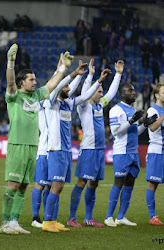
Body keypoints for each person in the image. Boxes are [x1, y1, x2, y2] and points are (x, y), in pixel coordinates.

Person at [0, 43, 74, 234]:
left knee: (24, 186)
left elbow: (51, 84)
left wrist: (63, 68)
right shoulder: (14, 95)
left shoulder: (37, 96)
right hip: (17, 145)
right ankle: (4, 223)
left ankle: (15, 222)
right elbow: (9, 82)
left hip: (33, 145)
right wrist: (11, 62)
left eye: (34, 79)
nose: (35, 82)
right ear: (22, 82)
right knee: (13, 185)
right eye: (31, 79)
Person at [44, 60, 112, 232]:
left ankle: (53, 220)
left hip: (66, 150)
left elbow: (83, 94)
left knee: (59, 187)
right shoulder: (52, 102)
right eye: (67, 87)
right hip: (56, 148)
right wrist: (73, 74)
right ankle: (47, 221)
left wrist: (97, 80)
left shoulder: (68, 103)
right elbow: (62, 86)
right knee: (56, 186)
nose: (70, 89)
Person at [31, 59, 88, 229]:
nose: (68, 89)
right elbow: (58, 85)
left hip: (60, 149)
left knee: (51, 186)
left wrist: (79, 75)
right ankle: (37, 217)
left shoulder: (63, 102)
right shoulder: (48, 101)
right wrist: (64, 71)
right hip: (46, 148)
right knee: (42, 184)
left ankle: (50, 219)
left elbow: (67, 89)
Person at [67, 60, 125, 228]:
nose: (101, 94)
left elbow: (112, 92)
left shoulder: (100, 105)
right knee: (81, 183)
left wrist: (118, 73)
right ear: (92, 92)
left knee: (94, 183)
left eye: (101, 92)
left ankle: (88, 218)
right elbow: (85, 92)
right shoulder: (84, 106)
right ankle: (72, 218)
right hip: (89, 150)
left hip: (100, 150)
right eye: (99, 91)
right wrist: (92, 76)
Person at [104, 83, 157, 227]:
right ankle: (109, 217)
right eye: (130, 91)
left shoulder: (132, 109)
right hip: (122, 152)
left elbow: (133, 131)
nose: (134, 93)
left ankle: (121, 217)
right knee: (118, 183)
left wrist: (144, 125)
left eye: (134, 90)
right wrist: (132, 120)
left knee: (130, 184)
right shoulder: (116, 110)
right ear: (122, 94)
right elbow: (115, 131)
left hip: (133, 152)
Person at [145, 83, 164, 226]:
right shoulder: (153, 110)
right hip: (157, 150)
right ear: (157, 95)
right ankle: (152, 216)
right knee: (153, 184)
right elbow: (152, 127)